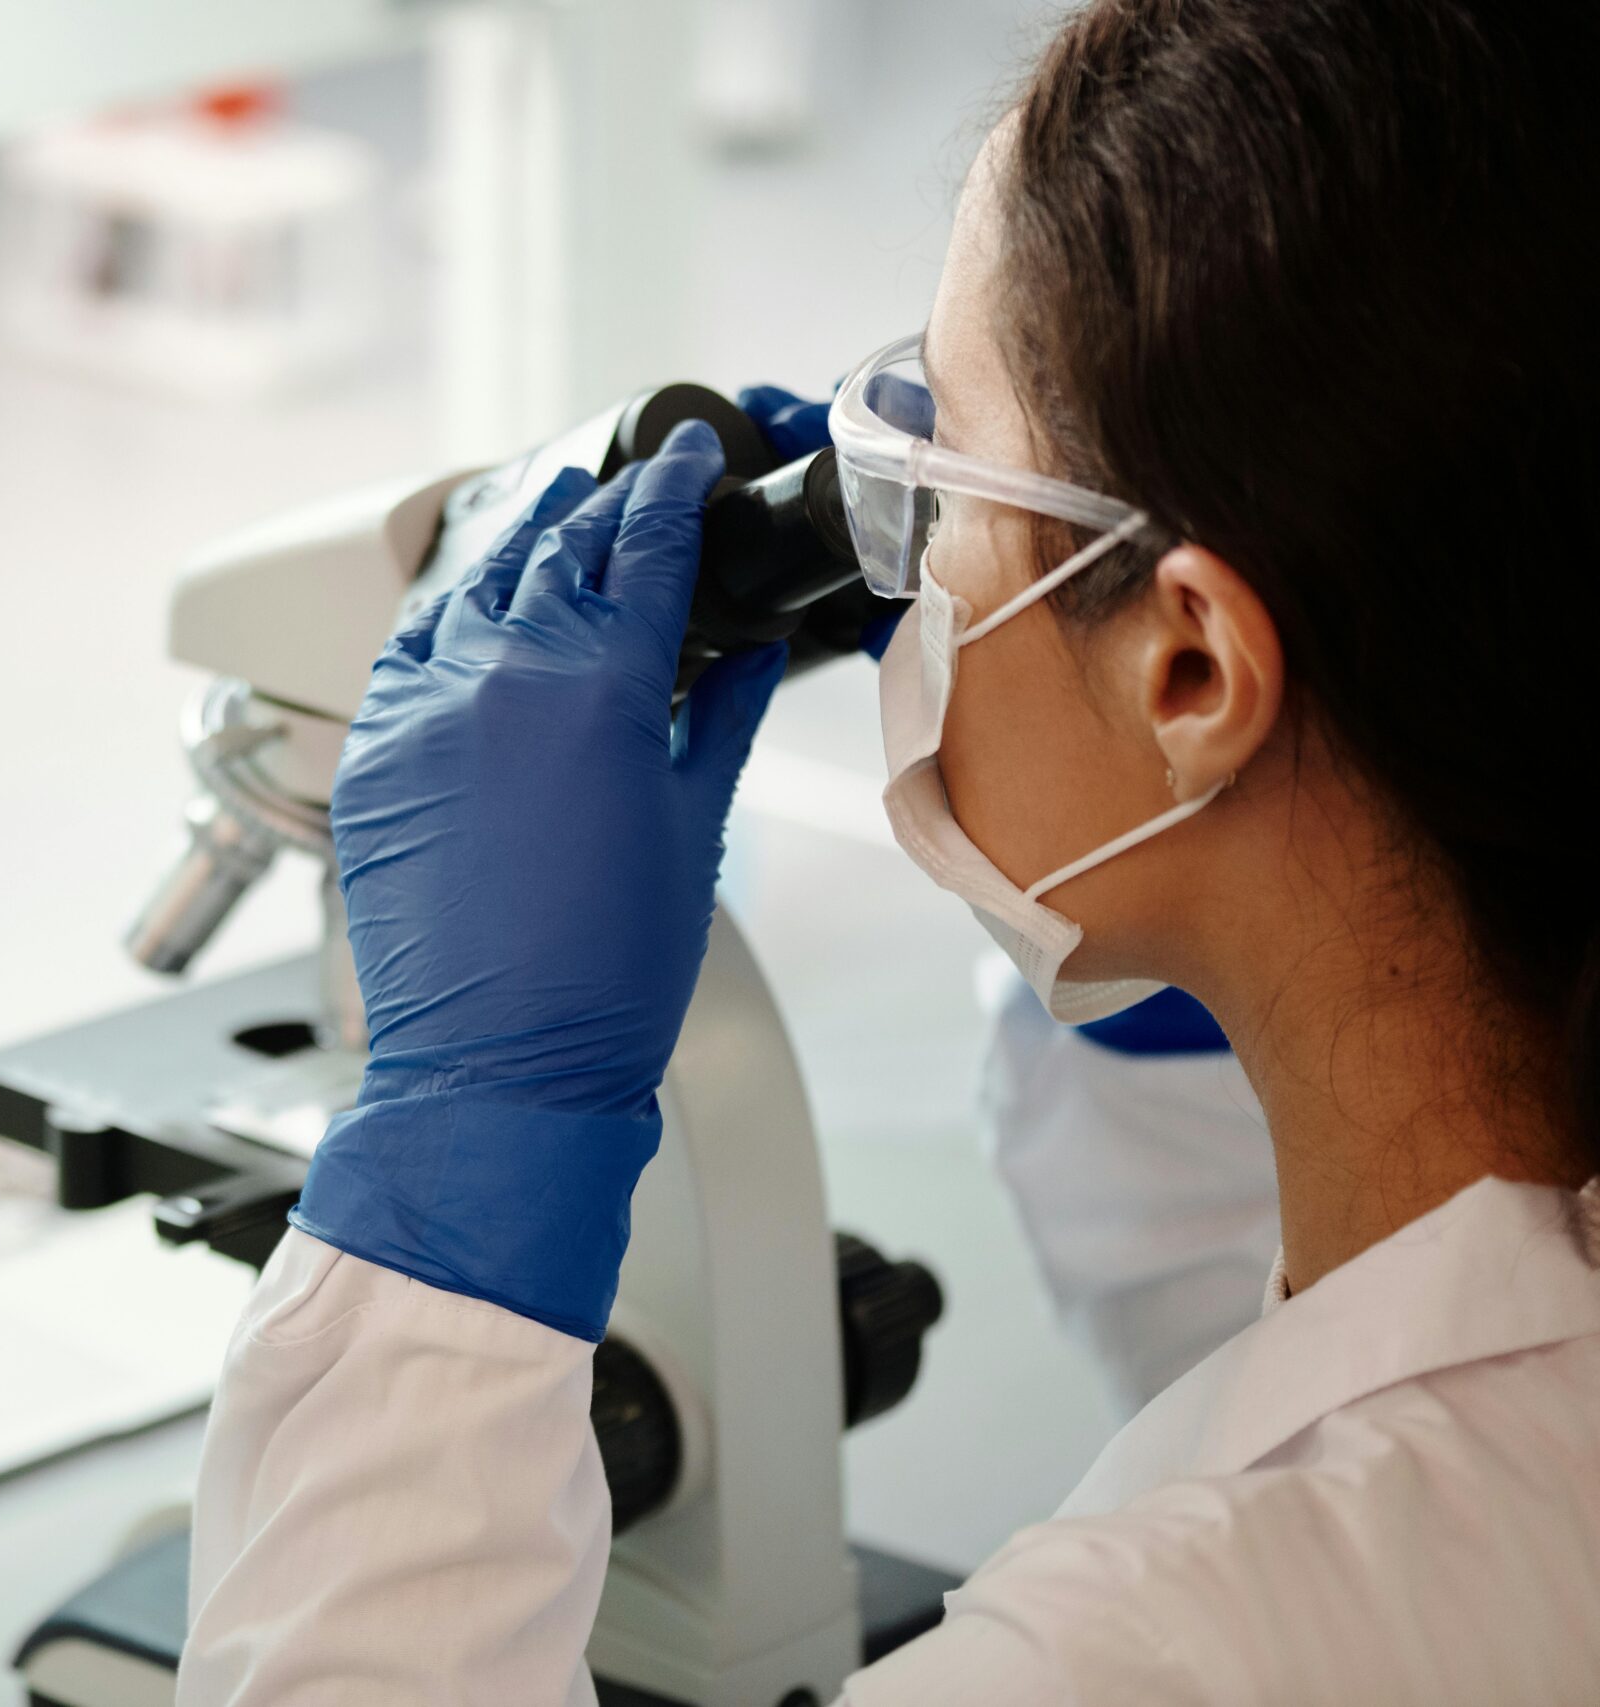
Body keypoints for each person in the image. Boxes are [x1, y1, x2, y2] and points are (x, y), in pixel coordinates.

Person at [176, 0, 1600, 1701]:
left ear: (1194, 667)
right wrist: (1226, 937)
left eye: (944, 441)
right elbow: (1325, 1357)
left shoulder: (1163, 1646)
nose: (886, 526)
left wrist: (468, 1139)